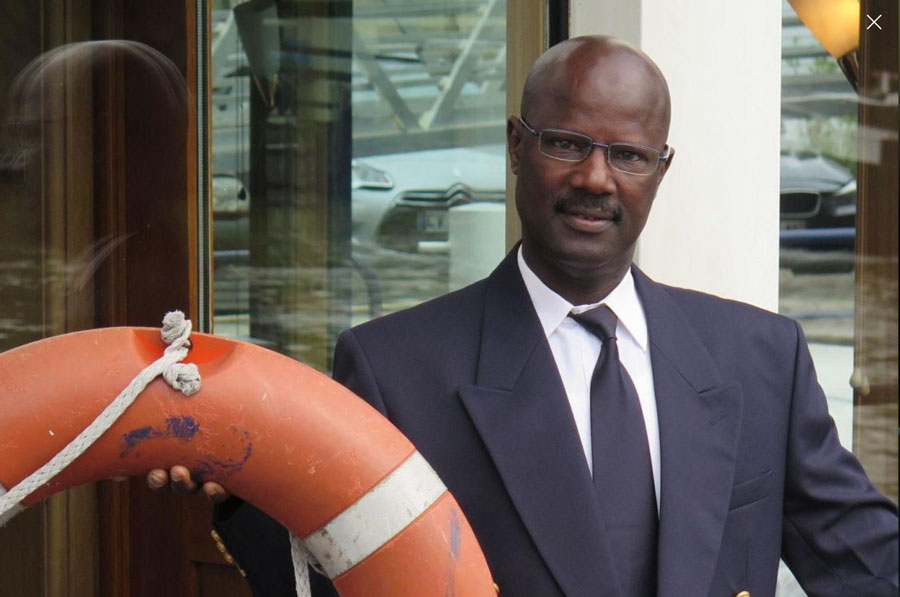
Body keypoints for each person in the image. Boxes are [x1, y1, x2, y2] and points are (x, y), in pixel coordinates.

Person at [150, 36, 899, 596]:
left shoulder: (761, 357)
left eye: (628, 155)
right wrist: (240, 484)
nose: (595, 178)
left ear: (661, 169)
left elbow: (867, 563)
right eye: (567, 144)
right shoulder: (395, 369)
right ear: (517, 145)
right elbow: (330, 577)